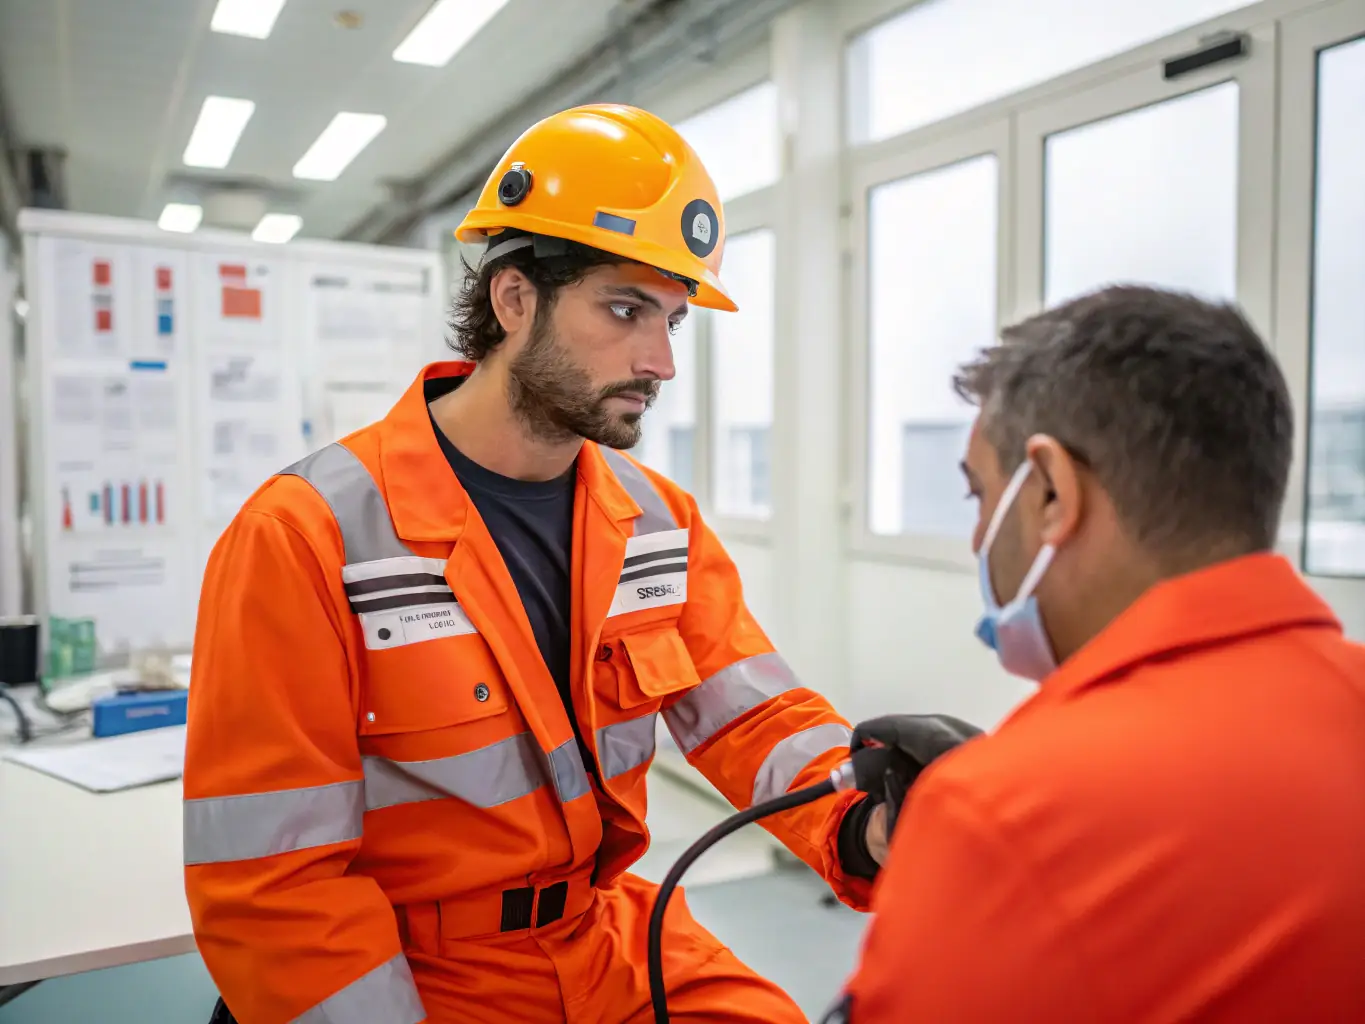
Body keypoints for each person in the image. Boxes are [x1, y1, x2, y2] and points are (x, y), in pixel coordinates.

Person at [183, 103, 901, 1024]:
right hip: (425, 965)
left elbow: (755, 719)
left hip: (602, 929)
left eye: (672, 321)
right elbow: (275, 885)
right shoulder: (308, 534)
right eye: (624, 309)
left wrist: (871, 818)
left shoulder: (655, 521)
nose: (659, 361)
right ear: (514, 299)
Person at [833, 285, 1365, 1022]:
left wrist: (1002, 803)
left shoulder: (1000, 817)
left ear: (1052, 492)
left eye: (978, 496)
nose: (978, 536)